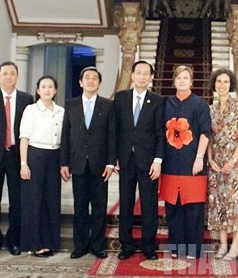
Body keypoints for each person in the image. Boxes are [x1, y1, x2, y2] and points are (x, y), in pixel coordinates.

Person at [60, 66, 116, 259]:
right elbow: (66, 135)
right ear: (80, 82)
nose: (91, 81)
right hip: (77, 164)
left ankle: (97, 245)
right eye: (87, 78)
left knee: (100, 207)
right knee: (80, 207)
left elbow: (112, 136)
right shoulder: (71, 104)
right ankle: (81, 245)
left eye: (95, 78)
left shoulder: (108, 105)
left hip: (100, 165)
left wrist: (111, 163)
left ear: (99, 83)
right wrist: (64, 163)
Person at [0, 61, 34, 256]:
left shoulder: (27, 99)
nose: (8, 76)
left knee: (17, 201)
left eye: (12, 73)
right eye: (5, 73)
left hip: (16, 156)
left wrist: (26, 160)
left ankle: (14, 240)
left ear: (17, 76)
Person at [114, 61, 165, 261]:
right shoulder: (120, 98)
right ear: (132, 75)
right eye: (139, 73)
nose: (142, 76)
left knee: (149, 204)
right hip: (125, 159)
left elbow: (160, 132)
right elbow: (114, 130)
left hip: (149, 161)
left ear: (151, 77)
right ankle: (126, 245)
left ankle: (148, 245)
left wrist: (158, 160)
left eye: (146, 74)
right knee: (125, 203)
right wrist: (113, 159)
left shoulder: (158, 100)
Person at [160, 65, 211, 259]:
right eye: (178, 78)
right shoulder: (166, 103)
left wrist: (200, 157)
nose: (182, 81)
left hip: (193, 163)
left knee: (193, 209)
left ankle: (193, 249)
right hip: (171, 164)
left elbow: (205, 133)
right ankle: (175, 247)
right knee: (173, 208)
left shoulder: (200, 104)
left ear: (191, 81)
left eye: (185, 78)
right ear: (173, 81)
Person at [206, 69, 238, 261]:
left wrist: (232, 161)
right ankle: (223, 245)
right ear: (214, 85)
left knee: (237, 204)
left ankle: (235, 247)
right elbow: (208, 136)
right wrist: (210, 159)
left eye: (225, 82)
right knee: (219, 204)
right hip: (216, 163)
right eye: (218, 82)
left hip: (235, 163)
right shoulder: (210, 109)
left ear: (231, 84)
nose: (222, 85)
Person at [19, 76, 63, 257]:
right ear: (37, 90)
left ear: (55, 90)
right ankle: (34, 243)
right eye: (43, 86)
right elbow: (24, 137)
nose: (47, 90)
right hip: (35, 155)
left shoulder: (61, 111)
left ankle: (50, 242)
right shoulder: (31, 110)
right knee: (33, 200)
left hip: (54, 157)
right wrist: (24, 163)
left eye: (50, 86)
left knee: (51, 201)